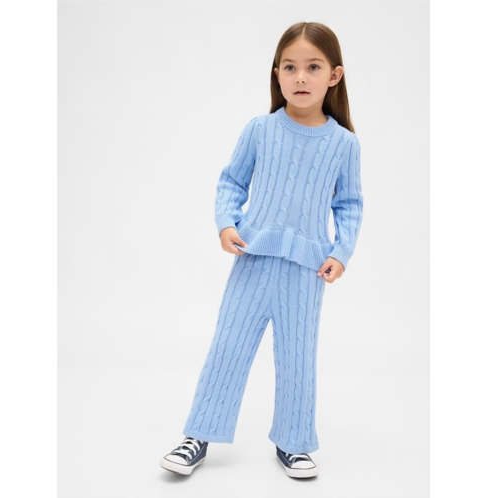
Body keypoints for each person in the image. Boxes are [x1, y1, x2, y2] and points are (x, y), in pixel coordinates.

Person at [160, 21, 363, 479]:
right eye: (289, 67)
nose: (300, 77)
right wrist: (226, 223)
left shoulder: (344, 144)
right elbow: (232, 181)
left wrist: (341, 252)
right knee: (228, 348)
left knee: (298, 358)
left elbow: (349, 204)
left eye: (313, 67)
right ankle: (198, 435)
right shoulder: (259, 129)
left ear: (334, 75)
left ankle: (294, 442)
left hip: (306, 271)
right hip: (252, 260)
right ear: (277, 74)